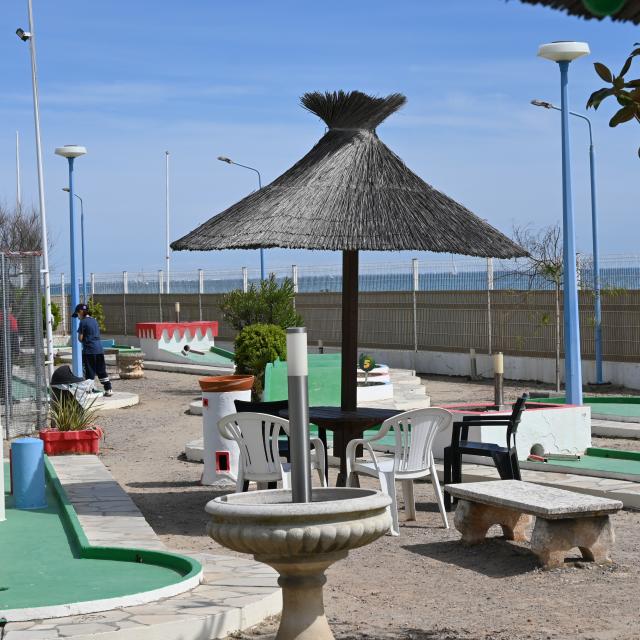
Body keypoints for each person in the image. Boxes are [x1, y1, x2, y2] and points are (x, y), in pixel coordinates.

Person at [72, 303, 113, 397]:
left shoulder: (83, 322)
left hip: (89, 350)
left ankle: (89, 390)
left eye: (77, 314)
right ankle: (108, 389)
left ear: (81, 312)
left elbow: (80, 338)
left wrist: (81, 338)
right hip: (99, 349)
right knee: (101, 370)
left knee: (89, 371)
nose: (78, 317)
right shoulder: (94, 321)